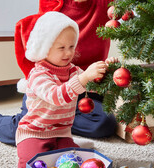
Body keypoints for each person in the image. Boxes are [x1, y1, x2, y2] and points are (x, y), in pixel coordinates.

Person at [0, 0, 151, 145]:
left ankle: (59, 124)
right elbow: (37, 65)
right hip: (50, 89)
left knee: (103, 124)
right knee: (21, 132)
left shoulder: (102, 4)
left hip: (84, 90)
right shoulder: (52, 15)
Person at [14, 11, 117, 167]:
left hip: (61, 133)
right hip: (34, 133)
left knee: (74, 160)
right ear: (45, 48)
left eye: (71, 46)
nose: (68, 52)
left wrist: (106, 72)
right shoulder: (38, 74)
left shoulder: (73, 71)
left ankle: (72, 144)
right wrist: (83, 78)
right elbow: (55, 96)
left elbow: (94, 88)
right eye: (61, 47)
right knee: (32, 162)